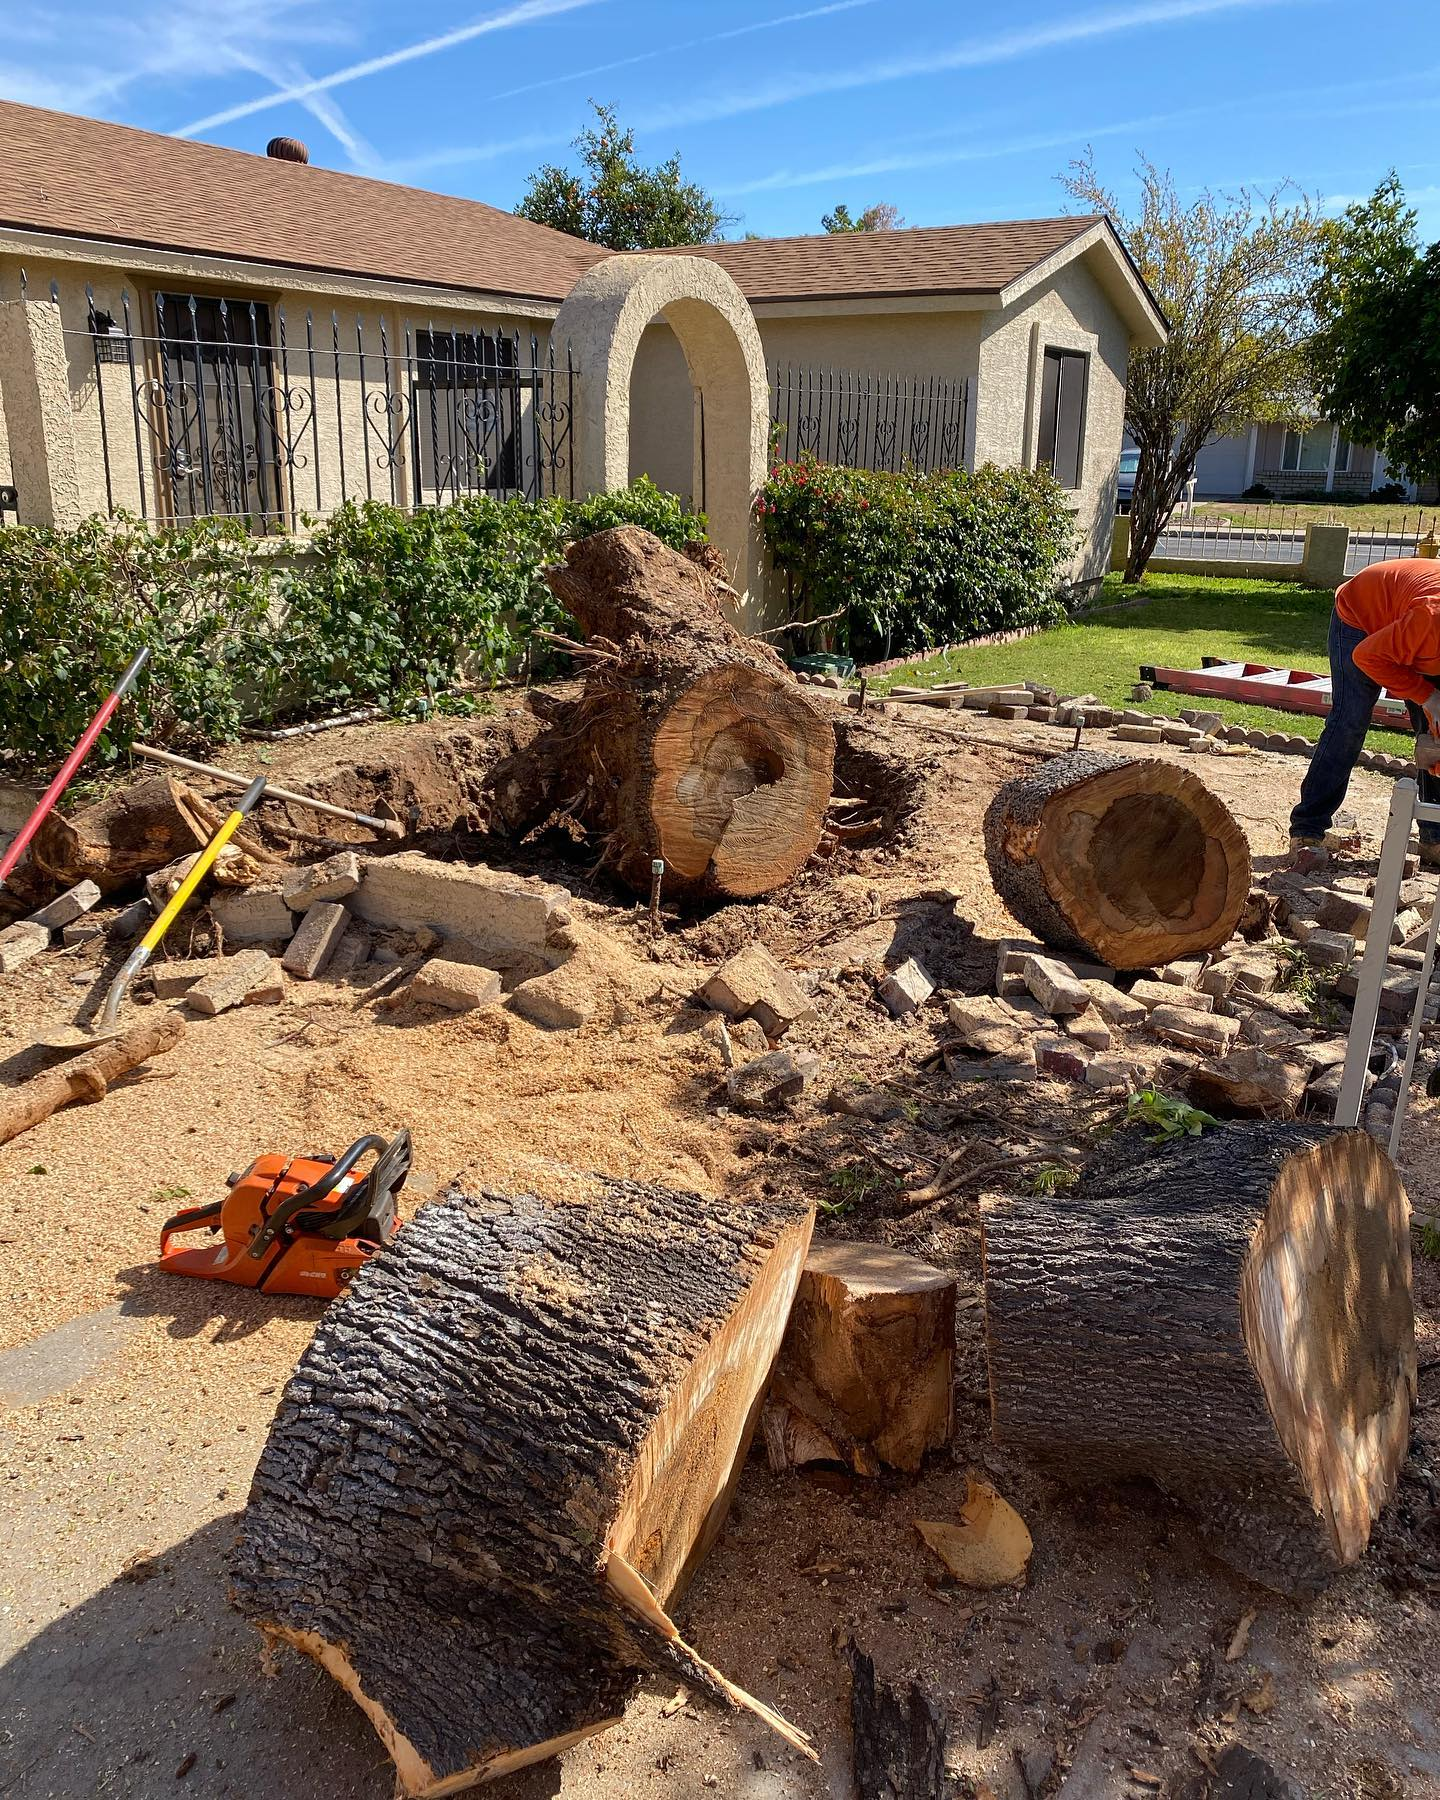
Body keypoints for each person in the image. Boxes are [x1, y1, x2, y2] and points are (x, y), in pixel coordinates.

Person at [1290, 556, 1440, 863]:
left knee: (1433, 729)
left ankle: (1434, 837)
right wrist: (1429, 698)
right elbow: (1367, 657)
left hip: (1409, 620)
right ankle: (1308, 829)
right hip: (1361, 616)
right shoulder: (1431, 621)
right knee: (1350, 720)